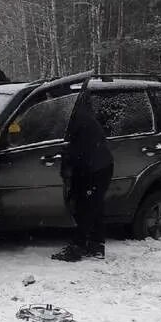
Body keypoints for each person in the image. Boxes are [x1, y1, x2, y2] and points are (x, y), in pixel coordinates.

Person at [52, 91, 114, 261]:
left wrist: (65, 165)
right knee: (94, 206)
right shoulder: (80, 116)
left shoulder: (77, 121)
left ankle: (78, 248)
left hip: (96, 169)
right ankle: (96, 245)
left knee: (87, 207)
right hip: (99, 166)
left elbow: (75, 150)